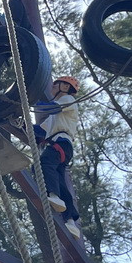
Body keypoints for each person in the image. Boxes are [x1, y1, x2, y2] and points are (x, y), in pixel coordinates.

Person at [35, 77, 82, 239]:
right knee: (60, 180)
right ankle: (70, 220)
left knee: (42, 164)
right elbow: (40, 131)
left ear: (65, 87)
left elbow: (49, 107)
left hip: (61, 142)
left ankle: (53, 195)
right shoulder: (56, 115)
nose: (53, 86)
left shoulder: (68, 100)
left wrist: (28, 102)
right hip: (61, 144)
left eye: (57, 84)